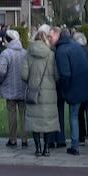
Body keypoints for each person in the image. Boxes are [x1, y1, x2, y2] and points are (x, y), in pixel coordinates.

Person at [56, 28, 88, 156]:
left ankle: (75, 146)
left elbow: (65, 74)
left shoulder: (63, 51)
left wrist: (65, 90)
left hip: (76, 88)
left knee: (74, 116)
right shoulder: (77, 48)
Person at [22, 29, 59, 157]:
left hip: (34, 91)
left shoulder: (28, 54)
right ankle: (47, 148)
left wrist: (32, 81)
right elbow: (56, 75)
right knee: (47, 121)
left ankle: (38, 148)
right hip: (49, 93)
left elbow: (24, 74)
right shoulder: (51, 55)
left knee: (34, 122)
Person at [0, 28, 28, 148]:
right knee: (23, 114)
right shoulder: (25, 52)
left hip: (9, 88)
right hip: (23, 87)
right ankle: (24, 138)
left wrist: (0, 80)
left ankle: (13, 139)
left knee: (12, 115)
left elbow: (1, 71)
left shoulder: (6, 54)